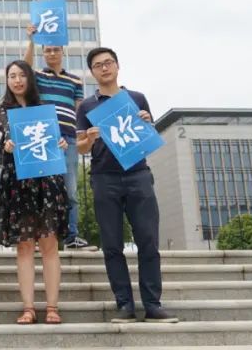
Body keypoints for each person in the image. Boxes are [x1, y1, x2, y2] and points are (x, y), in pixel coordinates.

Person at [75, 47, 178, 324]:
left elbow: (149, 135)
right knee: (112, 245)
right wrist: (90, 139)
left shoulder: (136, 98)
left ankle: (153, 304)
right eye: (98, 65)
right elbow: (80, 147)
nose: (104, 68)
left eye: (108, 62)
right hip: (103, 177)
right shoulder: (87, 106)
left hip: (138, 174)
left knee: (148, 241)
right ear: (92, 72)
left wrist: (148, 122)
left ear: (117, 66)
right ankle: (124, 305)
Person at [0, 60, 69, 324]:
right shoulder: (3, 110)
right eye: (11, 76)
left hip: (47, 182)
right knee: (24, 247)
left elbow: (54, 140)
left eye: (21, 75)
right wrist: (7, 145)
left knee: (49, 245)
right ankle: (28, 308)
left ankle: (52, 307)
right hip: (19, 184)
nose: (17, 80)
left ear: (29, 78)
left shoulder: (45, 109)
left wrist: (61, 143)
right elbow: (6, 136)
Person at [24, 25, 94, 251]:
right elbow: (24, 67)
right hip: (42, 138)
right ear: (43, 53)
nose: (52, 53)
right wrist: (31, 40)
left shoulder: (75, 81)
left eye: (56, 49)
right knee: (40, 189)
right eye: (48, 50)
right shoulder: (38, 76)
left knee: (70, 190)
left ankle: (72, 235)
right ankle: (38, 236)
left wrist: (81, 135)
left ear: (62, 52)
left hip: (69, 140)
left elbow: (78, 110)